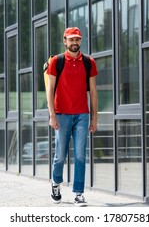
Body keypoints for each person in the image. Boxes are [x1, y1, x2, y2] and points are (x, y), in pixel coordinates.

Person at [46, 27, 98, 206]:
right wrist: (52, 114)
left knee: (80, 155)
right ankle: (56, 182)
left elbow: (93, 91)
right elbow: (50, 90)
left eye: (77, 39)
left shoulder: (89, 62)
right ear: (65, 41)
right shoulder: (56, 62)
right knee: (60, 155)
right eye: (71, 39)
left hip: (82, 115)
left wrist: (94, 118)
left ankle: (78, 193)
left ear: (80, 41)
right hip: (61, 114)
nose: (74, 42)